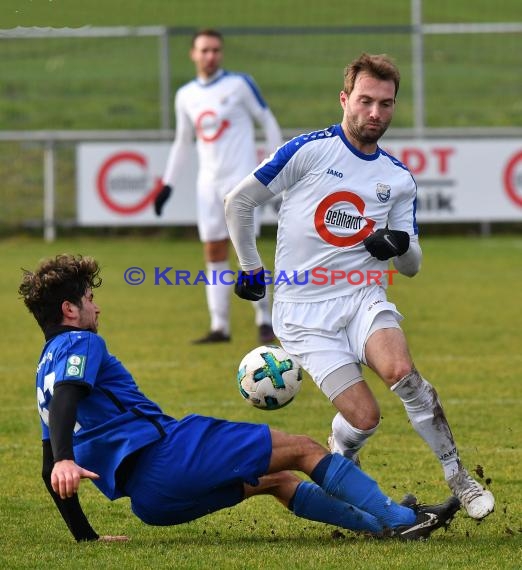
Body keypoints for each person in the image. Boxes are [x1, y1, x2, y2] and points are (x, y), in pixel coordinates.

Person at [19, 254, 460, 543]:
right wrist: (64, 458)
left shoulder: (45, 367)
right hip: (169, 456)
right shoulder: (83, 345)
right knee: (304, 449)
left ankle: (383, 524)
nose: (98, 309)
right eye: (90, 300)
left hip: (151, 502)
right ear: (69, 311)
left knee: (275, 481)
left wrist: (85, 537)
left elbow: (47, 462)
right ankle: (405, 522)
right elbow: (67, 401)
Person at [224, 53, 495, 521]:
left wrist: (398, 246)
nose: (375, 113)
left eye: (385, 104)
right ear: (344, 99)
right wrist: (250, 268)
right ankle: (341, 461)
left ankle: (459, 478)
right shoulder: (309, 151)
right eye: (365, 101)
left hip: (362, 298)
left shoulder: (397, 178)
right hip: (303, 315)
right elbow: (239, 201)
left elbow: (411, 266)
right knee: (364, 417)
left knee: (402, 373)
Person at [154, 28, 282, 345]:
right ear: (193, 54)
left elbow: (267, 120)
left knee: (244, 249)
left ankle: (264, 319)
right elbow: (183, 141)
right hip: (207, 185)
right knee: (213, 251)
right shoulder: (186, 95)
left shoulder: (239, 85)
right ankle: (220, 326)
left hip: (240, 181)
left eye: (215, 50)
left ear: (221, 54)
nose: (210, 56)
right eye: (204, 50)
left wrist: (276, 167)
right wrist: (167, 184)